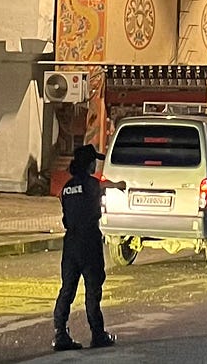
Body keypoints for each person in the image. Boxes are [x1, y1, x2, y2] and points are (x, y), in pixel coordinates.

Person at [52, 143, 123, 351]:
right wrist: (118, 185)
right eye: (94, 161)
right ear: (89, 163)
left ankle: (60, 334)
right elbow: (102, 185)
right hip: (89, 242)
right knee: (93, 289)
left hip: (71, 243)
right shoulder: (92, 184)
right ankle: (98, 334)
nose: (95, 165)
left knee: (67, 289)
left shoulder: (66, 188)